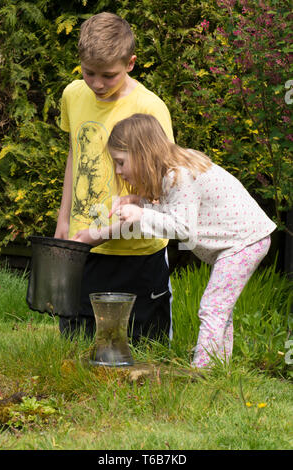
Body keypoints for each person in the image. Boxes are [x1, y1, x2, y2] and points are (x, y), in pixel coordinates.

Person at [90, 113, 275, 369]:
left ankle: (201, 370)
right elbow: (173, 211)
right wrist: (140, 202)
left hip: (244, 241)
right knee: (221, 308)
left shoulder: (180, 175)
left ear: (142, 153)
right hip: (242, 240)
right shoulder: (172, 171)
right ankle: (219, 367)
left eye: (121, 162)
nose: (118, 171)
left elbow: (182, 227)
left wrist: (141, 213)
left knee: (212, 307)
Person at [55, 13, 174, 343]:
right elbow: (75, 155)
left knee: (143, 349)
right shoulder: (73, 95)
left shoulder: (150, 109)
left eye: (109, 75)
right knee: (78, 346)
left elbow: (161, 190)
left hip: (138, 253)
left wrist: (104, 233)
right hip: (85, 248)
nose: (97, 83)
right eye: (88, 72)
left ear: (131, 63)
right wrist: (63, 220)